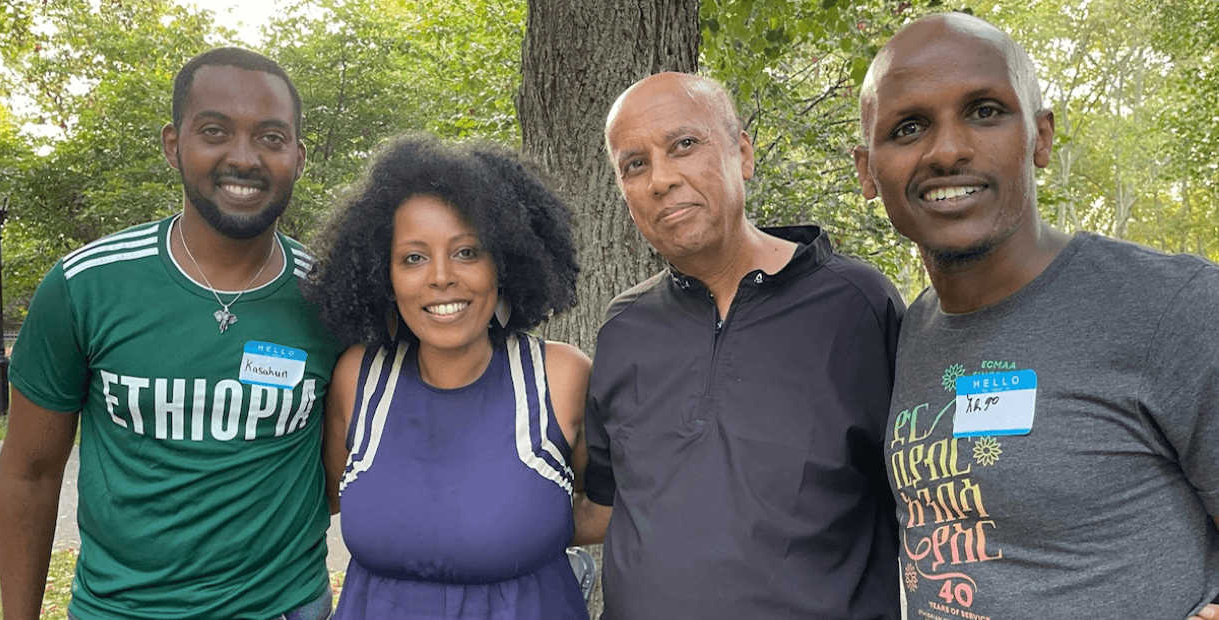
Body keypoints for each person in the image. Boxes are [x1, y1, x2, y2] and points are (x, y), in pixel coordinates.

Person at [852, 12, 1219, 620]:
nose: (948, 149)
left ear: (1041, 138)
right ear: (868, 171)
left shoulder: (1173, 308)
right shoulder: (911, 330)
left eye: (985, 111)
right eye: (909, 127)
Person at [0, 47, 343, 620]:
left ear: (299, 158)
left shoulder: (333, 297)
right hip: (121, 610)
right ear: (173, 143)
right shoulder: (86, 285)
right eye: (214, 131)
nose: (244, 158)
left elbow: (340, 469)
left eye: (271, 138)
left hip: (286, 607)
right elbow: (29, 473)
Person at [576, 71, 904, 619]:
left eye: (684, 145)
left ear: (743, 155)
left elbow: (927, 500)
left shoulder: (857, 306)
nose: (661, 179)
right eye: (634, 164)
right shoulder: (624, 329)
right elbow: (605, 506)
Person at [301, 135, 591, 620]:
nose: (441, 277)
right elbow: (326, 499)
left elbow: (604, 506)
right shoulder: (358, 378)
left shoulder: (560, 377)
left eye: (467, 252)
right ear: (383, 275)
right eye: (413, 257)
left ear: (505, 263)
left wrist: (516, 535)